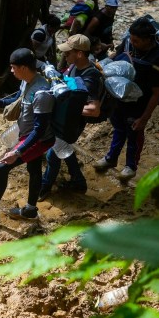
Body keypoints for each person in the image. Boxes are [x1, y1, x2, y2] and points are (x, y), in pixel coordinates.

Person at [0, 48, 55, 228]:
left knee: (2, 166)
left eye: (13, 67)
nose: (11, 71)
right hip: (28, 134)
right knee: (34, 169)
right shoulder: (27, 82)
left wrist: (18, 152)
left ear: (24, 68)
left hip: (40, 139)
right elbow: (19, 98)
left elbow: (40, 130)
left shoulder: (42, 92)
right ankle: (30, 210)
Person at [93, 16, 159, 180]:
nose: (133, 43)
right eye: (132, 39)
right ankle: (111, 158)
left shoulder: (157, 58)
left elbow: (157, 92)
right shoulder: (128, 42)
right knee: (118, 128)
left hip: (139, 104)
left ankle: (130, 166)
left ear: (149, 40)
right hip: (118, 97)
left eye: (137, 41)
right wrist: (102, 64)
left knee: (134, 133)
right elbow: (116, 55)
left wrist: (144, 117)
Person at [39, 34, 105, 196]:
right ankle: (78, 181)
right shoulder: (74, 66)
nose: (64, 55)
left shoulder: (90, 76)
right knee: (62, 147)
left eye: (68, 53)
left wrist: (69, 108)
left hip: (73, 122)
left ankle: (43, 189)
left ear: (80, 54)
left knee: (53, 154)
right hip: (63, 118)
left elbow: (94, 109)